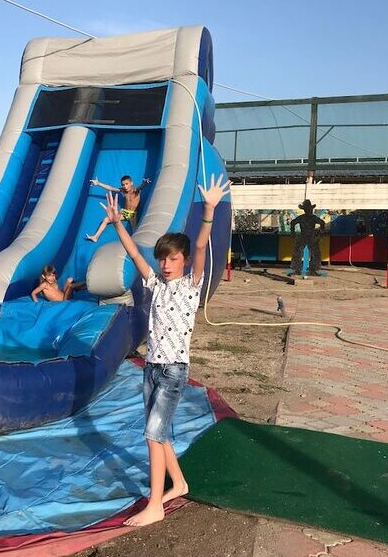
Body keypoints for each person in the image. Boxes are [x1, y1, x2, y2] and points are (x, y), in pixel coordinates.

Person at [103, 174, 230, 527]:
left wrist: (209, 211)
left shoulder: (191, 285)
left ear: (183, 261)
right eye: (163, 259)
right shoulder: (156, 285)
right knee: (156, 432)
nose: (166, 264)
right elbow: (134, 253)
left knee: (152, 435)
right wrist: (118, 224)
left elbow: (201, 247)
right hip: (151, 368)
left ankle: (155, 504)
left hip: (173, 371)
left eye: (173, 258)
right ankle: (181, 483)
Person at [84, 175, 151, 242]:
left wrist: (144, 184)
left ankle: (135, 245)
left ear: (131, 183)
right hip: (124, 212)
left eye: (127, 184)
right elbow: (111, 188)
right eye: (123, 185)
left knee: (135, 232)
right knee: (106, 219)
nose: (125, 186)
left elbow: (140, 187)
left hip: (132, 214)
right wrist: (98, 183)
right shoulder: (123, 190)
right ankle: (95, 237)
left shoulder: (135, 190)